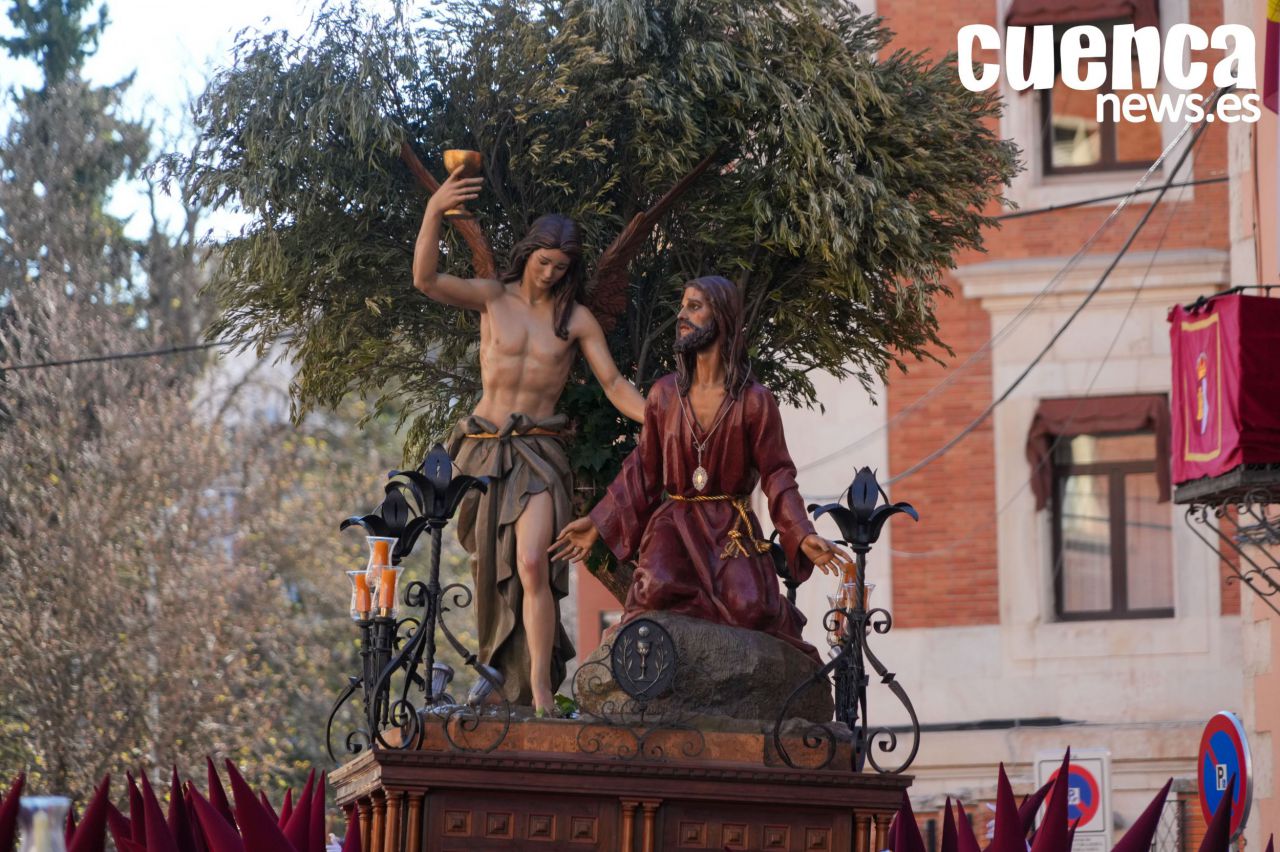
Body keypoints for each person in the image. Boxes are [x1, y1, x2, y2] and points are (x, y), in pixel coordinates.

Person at [414, 169, 645, 715]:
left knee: (534, 563)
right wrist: (434, 210)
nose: (549, 273)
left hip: (539, 454)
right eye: (543, 262)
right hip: (484, 450)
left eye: (561, 267)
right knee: (491, 570)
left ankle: (541, 689)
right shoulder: (494, 297)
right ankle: (498, 676)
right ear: (527, 255)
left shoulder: (575, 320)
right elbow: (426, 280)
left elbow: (614, 384)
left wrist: (662, 417)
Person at [550, 276, 852, 661]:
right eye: (683, 306)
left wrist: (801, 533)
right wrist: (598, 522)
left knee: (749, 608)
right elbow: (643, 469)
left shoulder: (755, 401)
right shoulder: (664, 394)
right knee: (655, 587)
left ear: (721, 317)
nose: (682, 315)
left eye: (694, 307)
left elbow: (777, 474)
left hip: (731, 526)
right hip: (675, 522)